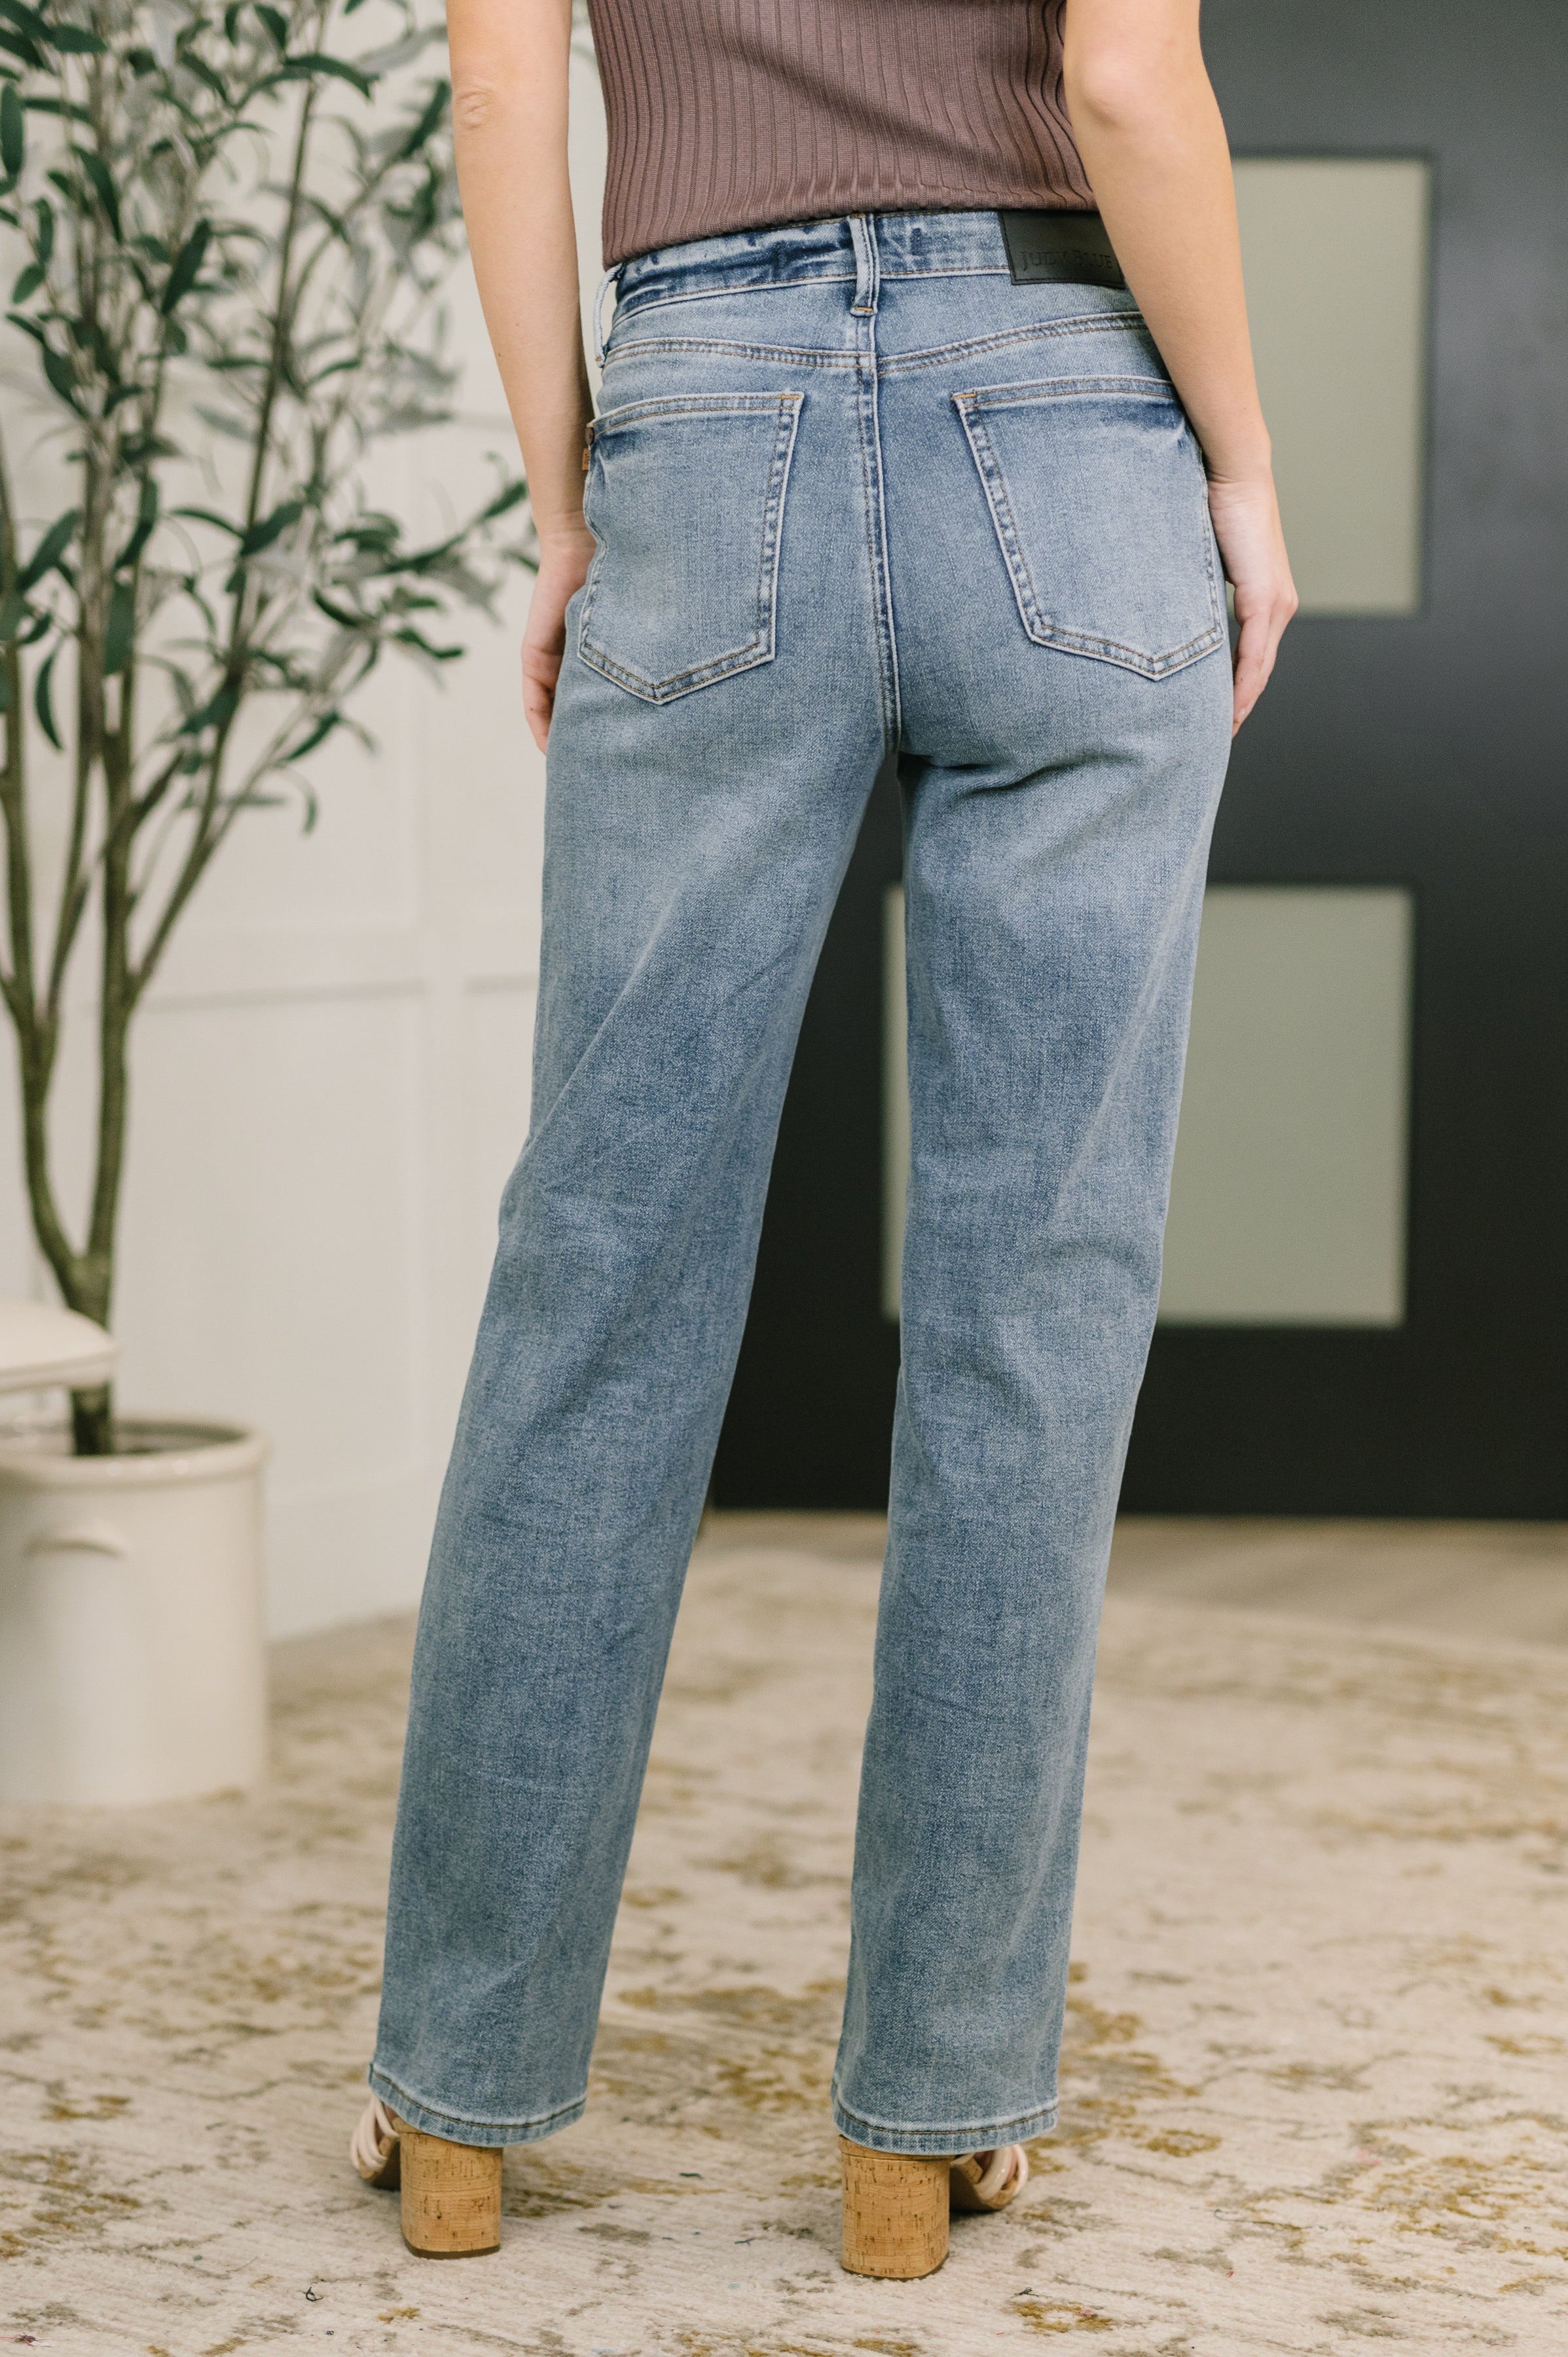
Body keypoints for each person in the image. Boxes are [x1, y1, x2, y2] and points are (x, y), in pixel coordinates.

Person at [351, 0, 1296, 2278]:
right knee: (1031, 1303)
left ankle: (459, 2107)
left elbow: (500, 90)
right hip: (1068, 408)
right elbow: (1125, 78)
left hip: (704, 409)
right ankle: (926, 2127)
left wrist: (574, 503)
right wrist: (1244, 473)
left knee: (598, 1271)